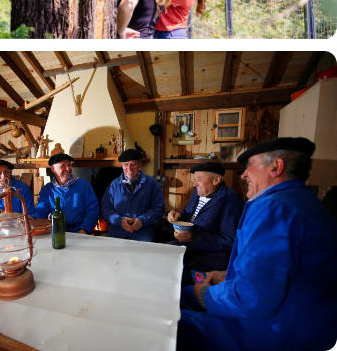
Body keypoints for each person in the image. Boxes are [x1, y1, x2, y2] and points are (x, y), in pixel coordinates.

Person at [177, 138, 337, 351]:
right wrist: (227, 275)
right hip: (309, 330)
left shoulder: (273, 208)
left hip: (272, 334)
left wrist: (200, 294)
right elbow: (284, 269)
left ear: (276, 167)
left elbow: (249, 297)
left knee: (173, 314)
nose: (243, 175)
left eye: (250, 165)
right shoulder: (304, 200)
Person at [166, 162, 244, 286]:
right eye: (194, 179)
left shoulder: (231, 200)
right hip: (189, 244)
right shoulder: (197, 194)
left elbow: (229, 239)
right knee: (161, 253)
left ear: (216, 179)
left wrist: (192, 238)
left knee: (174, 270)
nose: (195, 183)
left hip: (211, 254)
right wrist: (179, 215)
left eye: (199, 179)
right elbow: (188, 213)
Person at [101, 148, 165, 241]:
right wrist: (119, 221)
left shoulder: (152, 183)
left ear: (140, 164)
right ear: (121, 165)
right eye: (126, 164)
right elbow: (106, 208)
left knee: (142, 254)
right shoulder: (114, 185)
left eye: (133, 164)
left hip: (143, 233)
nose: (129, 168)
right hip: (117, 232)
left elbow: (159, 208)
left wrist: (143, 220)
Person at [32, 153, 99, 234]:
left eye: (69, 165)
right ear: (53, 169)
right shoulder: (47, 189)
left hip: (80, 231)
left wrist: (84, 230)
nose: (68, 169)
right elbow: (42, 210)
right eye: (62, 166)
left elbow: (93, 210)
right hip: (56, 231)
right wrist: (32, 218)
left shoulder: (84, 185)